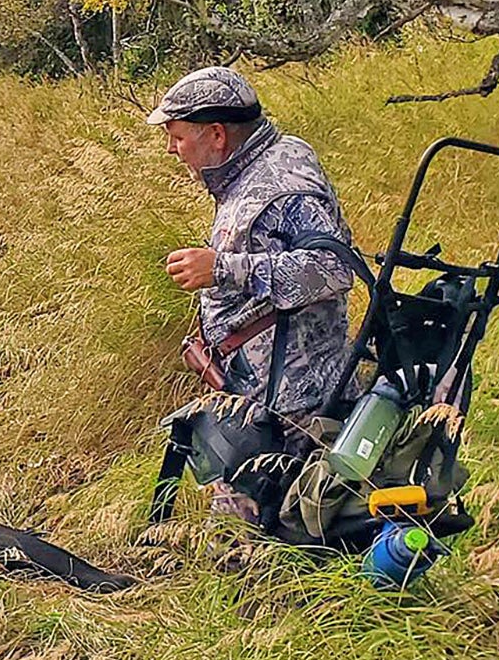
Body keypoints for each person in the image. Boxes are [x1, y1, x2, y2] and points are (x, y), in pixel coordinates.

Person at [150, 66, 356, 518]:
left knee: (249, 546)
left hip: (292, 407)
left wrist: (222, 268)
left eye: (178, 137)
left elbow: (335, 269)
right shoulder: (259, 165)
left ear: (217, 135)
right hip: (261, 395)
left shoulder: (282, 186)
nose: (171, 149)